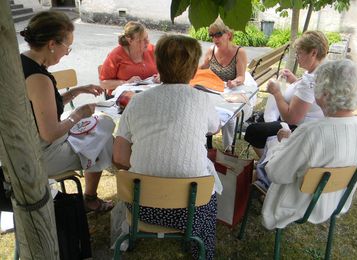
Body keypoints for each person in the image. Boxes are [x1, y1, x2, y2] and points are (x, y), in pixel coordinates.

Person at [113, 34, 221, 259]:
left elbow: (120, 157)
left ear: (158, 64)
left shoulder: (137, 101)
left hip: (142, 205)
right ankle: (200, 250)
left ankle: (131, 239)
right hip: (192, 210)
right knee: (210, 188)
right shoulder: (202, 100)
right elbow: (214, 128)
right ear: (193, 70)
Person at [260, 59, 357, 229]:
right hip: (335, 202)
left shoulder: (311, 132)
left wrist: (283, 144)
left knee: (263, 167)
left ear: (326, 93)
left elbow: (275, 173)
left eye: (317, 84)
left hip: (296, 206)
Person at [20, 11, 114, 212]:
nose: (67, 52)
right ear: (52, 44)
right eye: (67, 47)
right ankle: (90, 198)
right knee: (104, 136)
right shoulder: (39, 78)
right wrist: (78, 114)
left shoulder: (23, 62)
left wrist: (76, 91)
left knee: (101, 126)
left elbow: (42, 108)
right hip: (40, 156)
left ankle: (90, 196)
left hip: (25, 147)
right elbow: (50, 132)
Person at [244, 30, 328, 158]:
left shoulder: (311, 81)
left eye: (299, 53)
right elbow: (308, 98)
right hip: (309, 126)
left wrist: (277, 93)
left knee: (253, 131)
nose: (296, 57)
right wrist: (294, 80)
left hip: (299, 130)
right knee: (260, 118)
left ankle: (267, 162)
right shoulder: (319, 71)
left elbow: (291, 118)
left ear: (313, 52)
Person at [199, 17, 250, 152]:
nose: (215, 39)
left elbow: (241, 77)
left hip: (230, 93)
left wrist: (234, 82)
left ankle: (228, 150)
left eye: (218, 34)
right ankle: (202, 146)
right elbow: (202, 68)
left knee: (230, 117)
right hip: (213, 92)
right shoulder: (211, 51)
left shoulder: (239, 52)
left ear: (229, 35)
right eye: (212, 35)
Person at [99, 21, 159, 97]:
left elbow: (167, 68)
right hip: (124, 99)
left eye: (147, 38)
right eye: (142, 40)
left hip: (149, 95)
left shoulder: (152, 50)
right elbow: (104, 84)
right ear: (130, 40)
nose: (147, 42)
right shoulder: (116, 55)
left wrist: (162, 75)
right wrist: (126, 82)